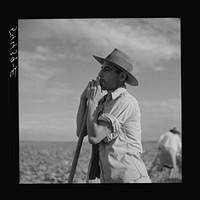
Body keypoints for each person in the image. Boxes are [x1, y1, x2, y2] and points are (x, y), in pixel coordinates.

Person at [76, 48, 151, 183]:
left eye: (106, 70)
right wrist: (84, 100)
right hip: (111, 178)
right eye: (101, 68)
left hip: (129, 178)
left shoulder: (125, 101)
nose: (99, 74)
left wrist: (93, 101)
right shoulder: (104, 101)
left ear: (121, 77)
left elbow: (94, 137)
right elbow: (81, 132)